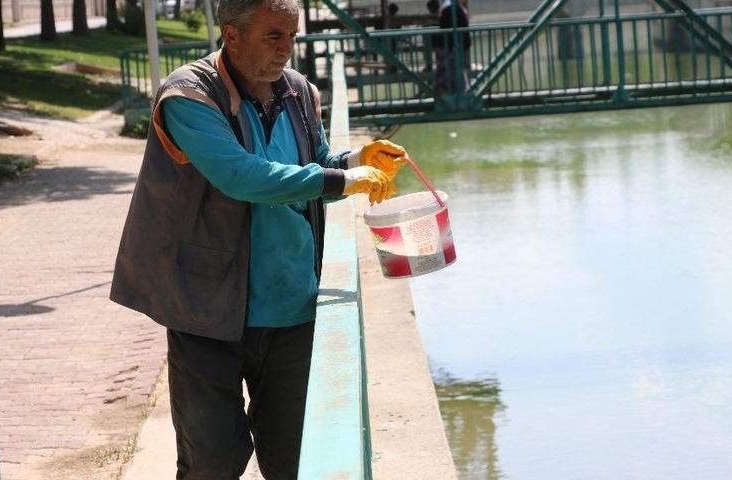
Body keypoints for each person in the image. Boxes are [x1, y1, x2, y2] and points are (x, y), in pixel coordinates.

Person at [109, 0, 410, 478]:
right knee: (213, 461)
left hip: (291, 304)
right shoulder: (188, 96)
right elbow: (241, 177)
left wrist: (353, 162)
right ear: (231, 35)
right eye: (274, 37)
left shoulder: (298, 92)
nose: (287, 50)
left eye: (291, 37)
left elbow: (315, 162)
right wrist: (337, 181)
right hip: (206, 310)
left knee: (297, 459)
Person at [435, 0, 471, 94]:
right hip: (451, 47)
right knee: (450, 72)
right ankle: (455, 95)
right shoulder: (451, 8)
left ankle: (452, 94)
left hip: (451, 46)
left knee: (448, 72)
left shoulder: (452, 6)